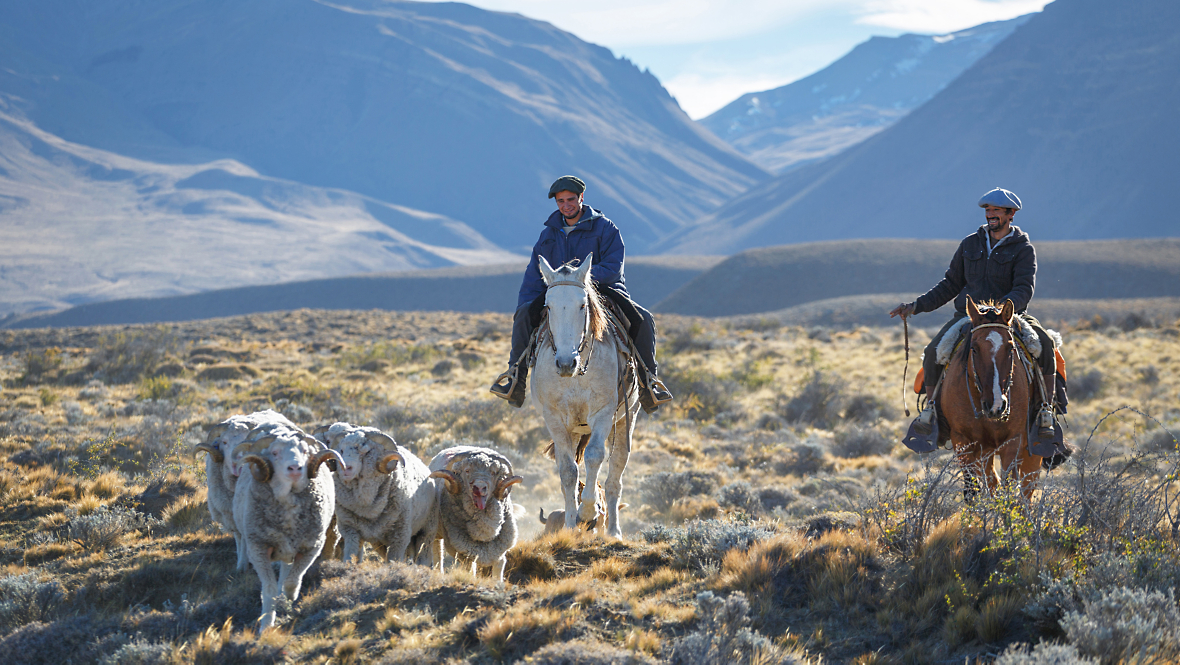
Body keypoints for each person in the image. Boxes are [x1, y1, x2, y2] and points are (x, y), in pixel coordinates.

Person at [889, 187, 1065, 439]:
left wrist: (1002, 310)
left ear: (1011, 213)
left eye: (996, 211)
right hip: (969, 317)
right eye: (988, 210)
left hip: (1009, 317)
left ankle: (1046, 412)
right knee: (932, 353)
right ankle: (931, 412)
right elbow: (950, 284)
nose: (991, 215)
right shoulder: (969, 244)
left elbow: (1024, 288)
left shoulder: (1023, 248)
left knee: (1045, 345)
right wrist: (916, 306)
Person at [489, 175, 674, 412]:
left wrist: (579, 278)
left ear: (581, 198)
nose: (566, 205)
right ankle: (515, 379)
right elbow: (534, 273)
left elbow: (613, 266)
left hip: (602, 289)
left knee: (643, 319)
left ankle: (649, 383)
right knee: (524, 316)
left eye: (570, 199)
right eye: (560, 201)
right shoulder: (548, 234)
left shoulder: (605, 228)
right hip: (557, 293)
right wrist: (527, 303)